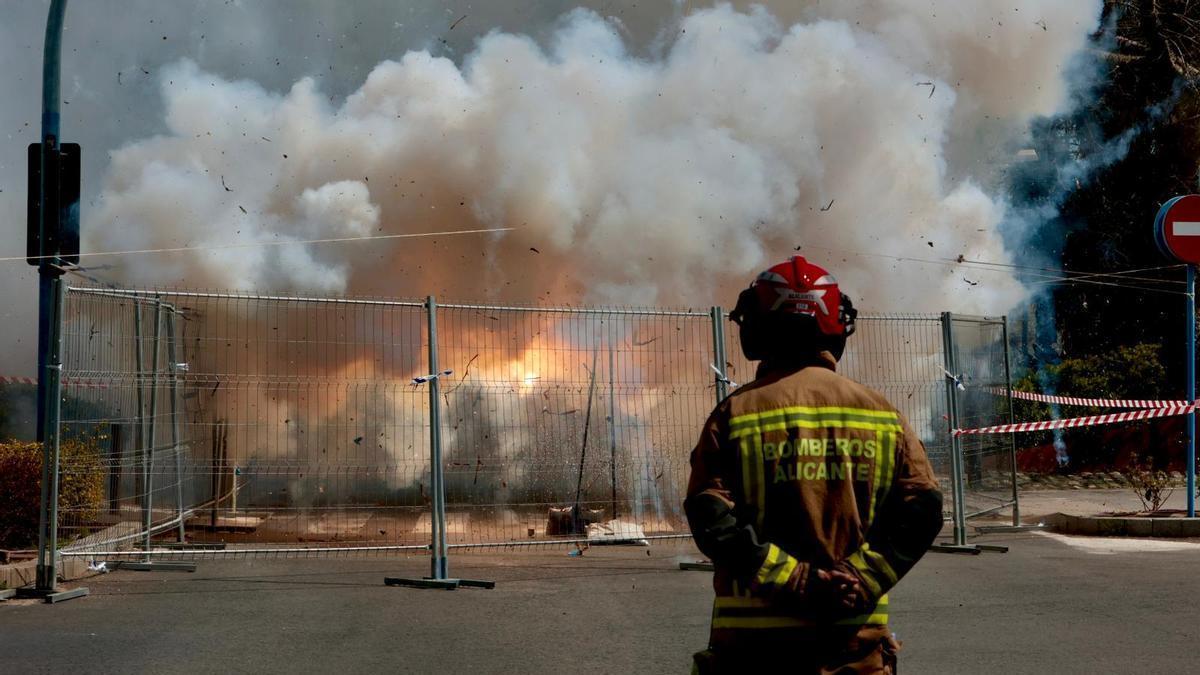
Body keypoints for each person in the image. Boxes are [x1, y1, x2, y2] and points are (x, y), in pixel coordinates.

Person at [685, 255, 944, 674]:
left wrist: (795, 580)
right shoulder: (881, 414)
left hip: (753, 656)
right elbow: (923, 509)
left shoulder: (734, 414)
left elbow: (710, 517)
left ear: (755, 326)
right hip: (854, 654)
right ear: (838, 325)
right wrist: (860, 580)